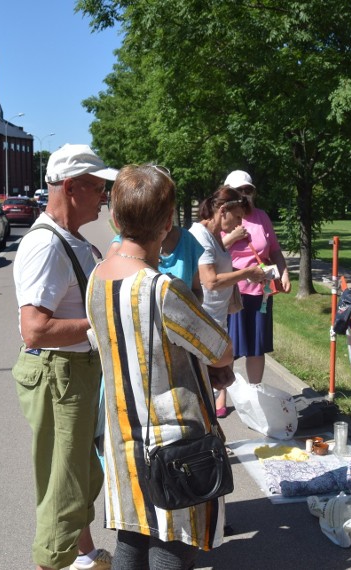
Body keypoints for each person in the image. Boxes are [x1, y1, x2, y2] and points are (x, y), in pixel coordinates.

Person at [86, 164, 235, 570]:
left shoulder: (97, 280)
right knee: (173, 547)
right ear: (168, 222)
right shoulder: (162, 288)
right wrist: (214, 366)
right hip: (173, 445)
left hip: (122, 441)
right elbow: (220, 349)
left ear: (115, 219)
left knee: (131, 545)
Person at [12, 143, 117, 570]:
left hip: (73, 373)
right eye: (97, 188)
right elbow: (35, 328)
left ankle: (84, 554)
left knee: (78, 476)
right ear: (71, 187)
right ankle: (53, 561)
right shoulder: (47, 245)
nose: (104, 197)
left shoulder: (69, 239)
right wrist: (100, 325)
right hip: (61, 375)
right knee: (64, 487)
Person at [189, 185, 267, 417]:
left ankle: (211, 437)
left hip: (215, 320)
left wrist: (251, 273)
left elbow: (218, 268)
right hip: (204, 323)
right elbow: (210, 280)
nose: (238, 225)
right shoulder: (201, 237)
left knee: (214, 384)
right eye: (237, 217)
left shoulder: (213, 236)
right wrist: (246, 273)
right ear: (223, 210)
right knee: (204, 388)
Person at [222, 170, 292, 386]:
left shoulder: (261, 217)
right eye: (239, 190)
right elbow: (209, 252)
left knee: (256, 346)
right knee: (227, 347)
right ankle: (221, 394)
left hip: (260, 294)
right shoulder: (223, 217)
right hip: (231, 292)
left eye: (248, 190)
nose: (244, 194)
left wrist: (284, 272)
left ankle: (255, 394)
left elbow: (275, 250)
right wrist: (232, 238)